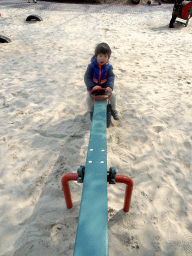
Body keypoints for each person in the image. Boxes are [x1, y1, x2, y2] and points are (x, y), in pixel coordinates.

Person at [84, 42, 119, 121]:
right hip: (94, 88)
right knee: (88, 98)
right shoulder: (91, 66)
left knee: (113, 95)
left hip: (104, 88)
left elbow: (111, 76)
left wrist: (109, 86)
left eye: (105, 56)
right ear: (96, 56)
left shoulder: (108, 67)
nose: (102, 58)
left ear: (108, 58)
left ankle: (113, 110)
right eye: (100, 56)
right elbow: (87, 77)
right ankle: (91, 111)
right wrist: (92, 87)